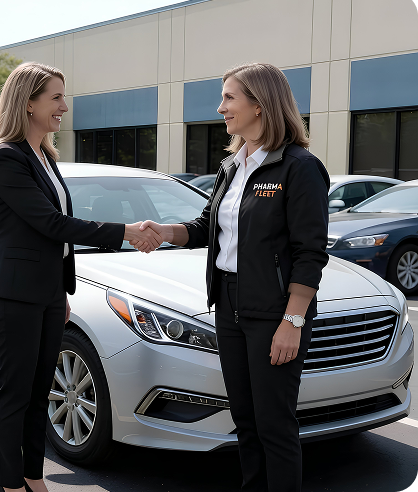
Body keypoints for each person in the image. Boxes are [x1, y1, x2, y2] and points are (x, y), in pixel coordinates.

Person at [135, 62, 329, 492]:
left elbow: (310, 253)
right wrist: (165, 233)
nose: (220, 107)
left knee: (274, 423)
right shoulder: (231, 166)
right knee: (244, 419)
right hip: (228, 303)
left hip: (274, 310)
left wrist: (292, 321)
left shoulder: (299, 167)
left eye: (229, 98)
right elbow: (208, 226)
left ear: (259, 105)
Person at [0, 62, 162, 492]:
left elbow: (54, 239)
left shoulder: (45, 155)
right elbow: (51, 225)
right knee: (16, 392)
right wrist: (125, 232)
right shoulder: (6, 157)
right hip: (13, 294)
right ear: (28, 103)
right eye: (56, 97)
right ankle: (9, 484)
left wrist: (60, 292)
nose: (65, 105)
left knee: (40, 392)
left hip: (43, 293)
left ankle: (31, 476)